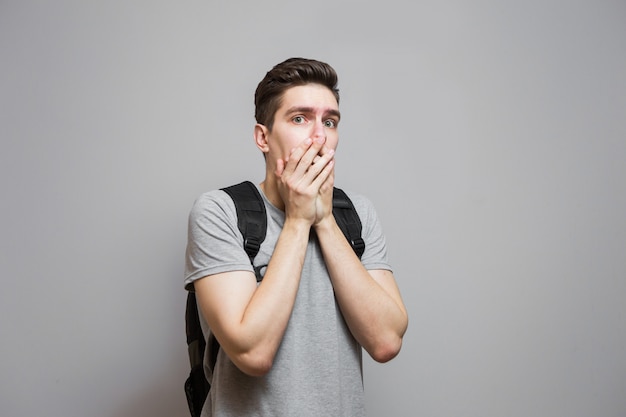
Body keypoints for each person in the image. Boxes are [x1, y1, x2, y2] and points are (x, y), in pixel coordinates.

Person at [184, 57, 408, 417]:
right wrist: (298, 220)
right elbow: (253, 353)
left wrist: (324, 221)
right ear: (263, 137)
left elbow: (385, 341)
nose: (318, 136)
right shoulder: (219, 211)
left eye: (330, 121)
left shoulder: (358, 214)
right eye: (299, 118)